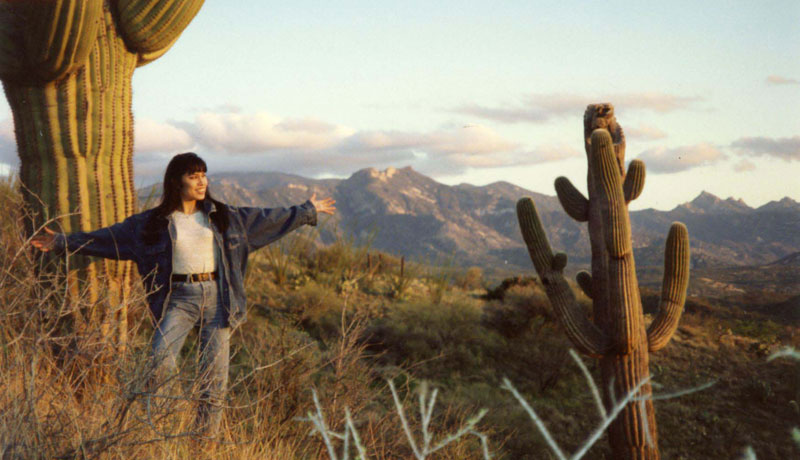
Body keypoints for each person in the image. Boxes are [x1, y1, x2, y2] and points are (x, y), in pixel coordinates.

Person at [30, 152, 336, 437]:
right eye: (193, 176)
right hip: (178, 299)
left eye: (204, 174)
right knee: (158, 361)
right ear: (177, 182)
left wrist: (306, 211)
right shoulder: (150, 224)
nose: (202, 181)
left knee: (213, 379)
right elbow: (107, 238)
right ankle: (161, 432)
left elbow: (266, 219)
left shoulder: (224, 217)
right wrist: (61, 241)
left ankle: (205, 441)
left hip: (219, 299)